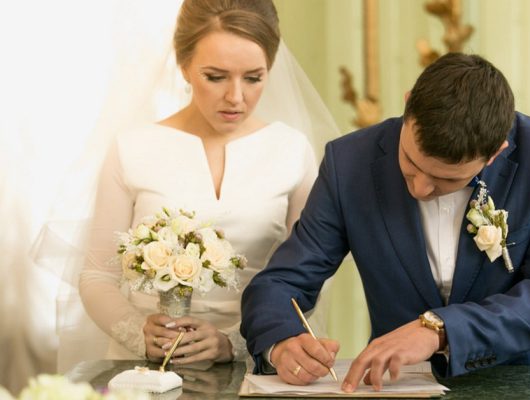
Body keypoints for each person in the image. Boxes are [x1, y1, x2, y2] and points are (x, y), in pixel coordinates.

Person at [240, 52, 530, 390]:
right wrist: (282, 341)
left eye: (447, 180)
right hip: (400, 384)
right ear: (408, 104)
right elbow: (281, 283)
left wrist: (439, 330)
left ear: (495, 153)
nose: (421, 188)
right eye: (411, 161)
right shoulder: (349, 162)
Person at [76, 0, 337, 369]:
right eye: (215, 77)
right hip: (143, 371)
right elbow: (97, 274)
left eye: (253, 78)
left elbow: (309, 280)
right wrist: (140, 333)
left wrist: (234, 341)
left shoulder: (291, 151)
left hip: (252, 364)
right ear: (184, 66)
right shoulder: (133, 147)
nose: (235, 97)